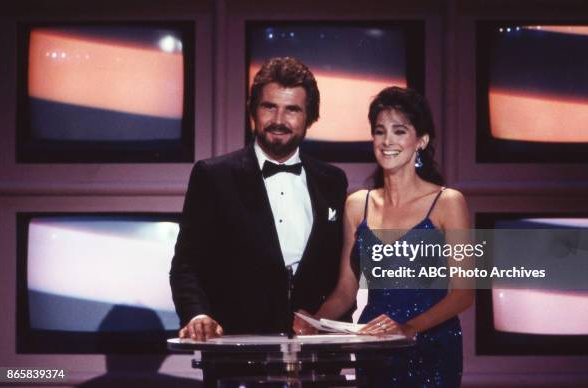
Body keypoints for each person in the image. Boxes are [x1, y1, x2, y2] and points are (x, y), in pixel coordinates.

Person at [294, 86, 473, 387]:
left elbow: (464, 292)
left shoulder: (447, 202)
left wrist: (408, 328)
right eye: (380, 131)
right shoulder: (357, 204)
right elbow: (345, 291)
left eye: (399, 131)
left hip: (430, 347)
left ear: (421, 141)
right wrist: (314, 322)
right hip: (374, 347)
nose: (387, 141)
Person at [169, 57, 352, 342]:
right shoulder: (214, 176)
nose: (279, 120)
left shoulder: (333, 181)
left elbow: (342, 273)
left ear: (310, 117)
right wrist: (197, 315)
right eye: (269, 107)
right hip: (237, 349)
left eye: (292, 110)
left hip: (316, 353)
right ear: (252, 110)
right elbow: (186, 266)